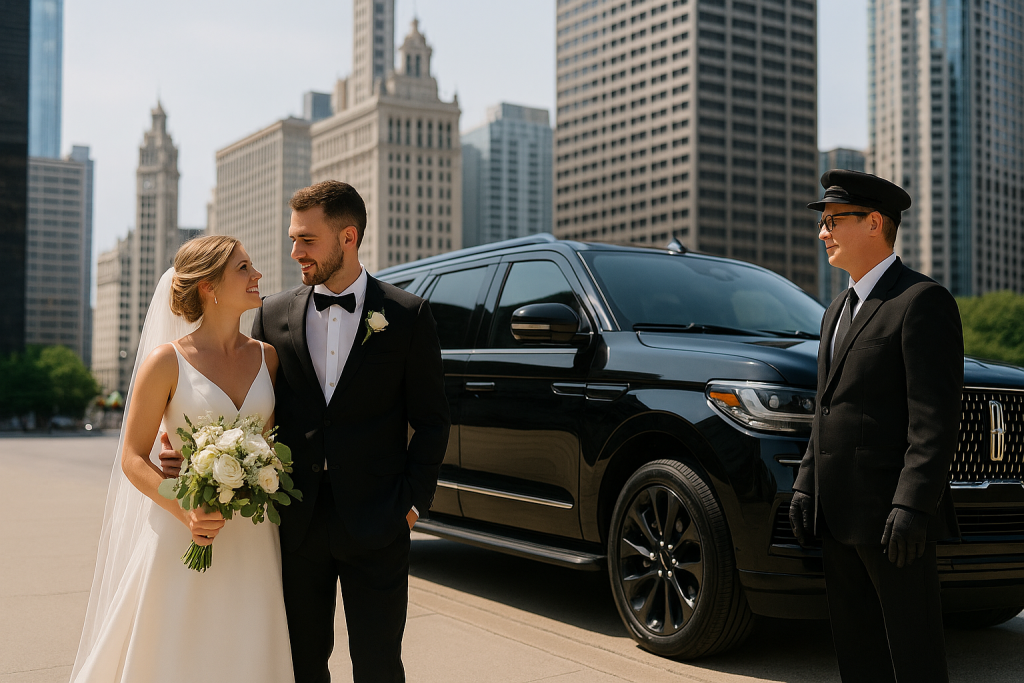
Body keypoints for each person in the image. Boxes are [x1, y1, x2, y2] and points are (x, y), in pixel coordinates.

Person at [161, 180, 450, 683]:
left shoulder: (407, 316)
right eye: (292, 238)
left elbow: (431, 422)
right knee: (300, 664)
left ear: (348, 237)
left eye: (306, 240)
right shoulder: (272, 315)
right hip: (295, 527)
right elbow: (249, 413)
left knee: (380, 666)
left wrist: (411, 505)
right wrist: (185, 452)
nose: (294, 251)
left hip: (380, 524)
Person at [71, 235, 294, 682]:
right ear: (209, 287)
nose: (258, 276)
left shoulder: (267, 357)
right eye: (244, 269)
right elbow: (133, 457)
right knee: (176, 652)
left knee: (248, 650)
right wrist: (186, 509)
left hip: (253, 535)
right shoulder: (166, 362)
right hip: (184, 529)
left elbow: (271, 446)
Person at [789, 170, 963, 683]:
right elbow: (826, 410)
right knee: (856, 649)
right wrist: (804, 486)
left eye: (832, 220)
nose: (823, 233)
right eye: (822, 222)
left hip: (892, 520)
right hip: (837, 513)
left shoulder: (921, 302)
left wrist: (912, 504)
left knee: (915, 653)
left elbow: (934, 419)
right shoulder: (835, 311)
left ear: (873, 223)